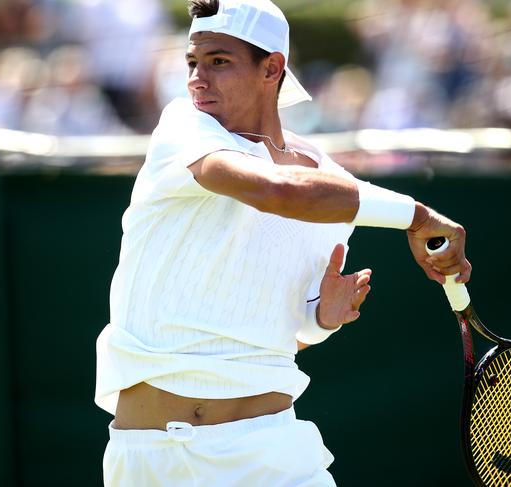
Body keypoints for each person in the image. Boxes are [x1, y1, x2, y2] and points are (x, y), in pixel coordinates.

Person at [94, 1, 471, 485]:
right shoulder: (181, 127)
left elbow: (284, 335)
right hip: (153, 458)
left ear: (272, 67)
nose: (197, 79)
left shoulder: (330, 190)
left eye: (219, 61)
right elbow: (276, 190)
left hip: (273, 455)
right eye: (192, 62)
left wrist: (318, 322)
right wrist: (415, 217)